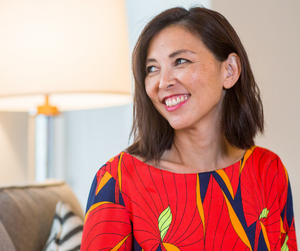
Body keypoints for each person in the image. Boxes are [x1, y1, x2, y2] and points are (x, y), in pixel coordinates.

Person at [81, 7, 297, 251]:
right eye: (152, 69)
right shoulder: (117, 181)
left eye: (180, 61)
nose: (163, 82)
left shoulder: (268, 171)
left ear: (230, 71)